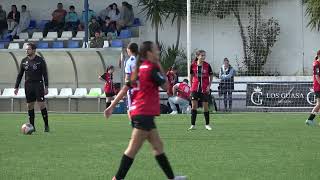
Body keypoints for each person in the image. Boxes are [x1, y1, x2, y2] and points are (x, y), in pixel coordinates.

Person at [104, 41, 186, 180]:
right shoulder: (151, 68)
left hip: (141, 113)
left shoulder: (139, 68)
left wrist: (111, 106)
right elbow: (167, 86)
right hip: (144, 114)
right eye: (156, 50)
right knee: (132, 149)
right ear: (149, 53)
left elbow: (125, 88)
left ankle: (172, 177)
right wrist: (159, 65)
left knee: (157, 146)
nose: (158, 52)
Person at [14, 43, 50, 132]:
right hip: (28, 86)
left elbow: (45, 74)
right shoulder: (23, 61)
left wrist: (46, 86)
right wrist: (16, 87)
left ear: (34, 50)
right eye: (26, 49)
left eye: (28, 49)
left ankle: (46, 125)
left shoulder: (40, 60)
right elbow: (20, 75)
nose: (26, 51)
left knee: (41, 104)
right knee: (29, 106)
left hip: (38, 84)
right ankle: (32, 127)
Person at [189, 50, 214, 131]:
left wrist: (209, 86)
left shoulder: (207, 65)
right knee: (194, 106)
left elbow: (211, 75)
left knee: (205, 107)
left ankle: (207, 125)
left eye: (204, 55)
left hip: (204, 89)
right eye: (202, 55)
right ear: (197, 56)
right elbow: (191, 75)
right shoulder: (192, 65)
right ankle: (192, 125)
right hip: (195, 88)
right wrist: (191, 85)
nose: (203, 57)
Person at [124, 42, 138, 119]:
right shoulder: (141, 60)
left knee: (130, 108)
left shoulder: (129, 61)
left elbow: (127, 76)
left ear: (130, 50)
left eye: (127, 50)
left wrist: (126, 87)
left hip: (132, 88)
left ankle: (134, 125)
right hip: (141, 88)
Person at [306, 50, 320, 126]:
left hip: (318, 87)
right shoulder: (316, 64)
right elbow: (317, 76)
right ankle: (309, 120)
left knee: (319, 104)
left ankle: (310, 120)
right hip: (318, 87)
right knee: (319, 104)